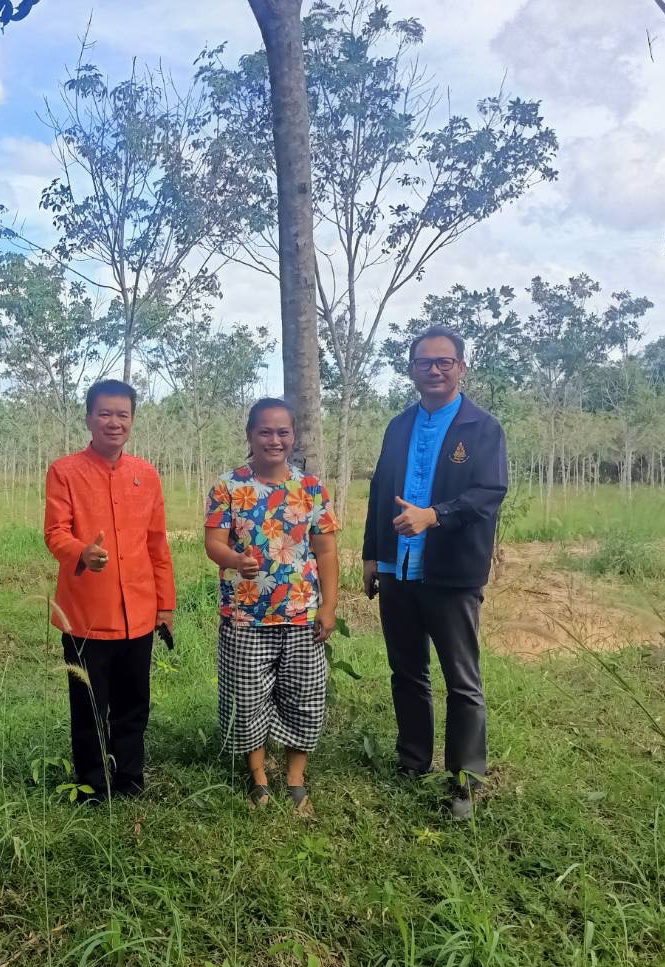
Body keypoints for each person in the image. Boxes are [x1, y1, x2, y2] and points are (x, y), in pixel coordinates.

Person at [362, 325, 508, 822]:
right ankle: (412, 761)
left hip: (451, 575)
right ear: (412, 371)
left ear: (461, 368)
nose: (435, 370)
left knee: (462, 681)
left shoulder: (482, 428)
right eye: (425, 362)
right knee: (407, 672)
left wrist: (434, 515)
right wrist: (370, 555)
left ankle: (465, 780)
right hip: (399, 571)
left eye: (445, 362)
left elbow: (488, 493)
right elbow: (381, 491)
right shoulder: (399, 426)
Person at [204, 398, 340, 816]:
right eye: (265, 431)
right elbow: (213, 543)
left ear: (293, 436)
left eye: (282, 432)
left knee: (305, 696)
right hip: (246, 616)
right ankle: (259, 777)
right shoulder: (228, 487)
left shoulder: (311, 488)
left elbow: (327, 552)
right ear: (250, 435)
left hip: (301, 615)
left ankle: (296, 778)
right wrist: (234, 560)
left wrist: (329, 606)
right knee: (247, 699)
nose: (274, 440)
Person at [43, 379, 175, 802]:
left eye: (122, 414)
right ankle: (92, 786)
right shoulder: (65, 471)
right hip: (86, 614)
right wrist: (83, 552)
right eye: (105, 413)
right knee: (89, 707)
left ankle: (130, 779)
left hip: (138, 612)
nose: (113, 422)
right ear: (88, 418)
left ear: (132, 420)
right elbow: (54, 533)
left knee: (134, 704)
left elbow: (157, 544)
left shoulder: (146, 474)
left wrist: (165, 606)